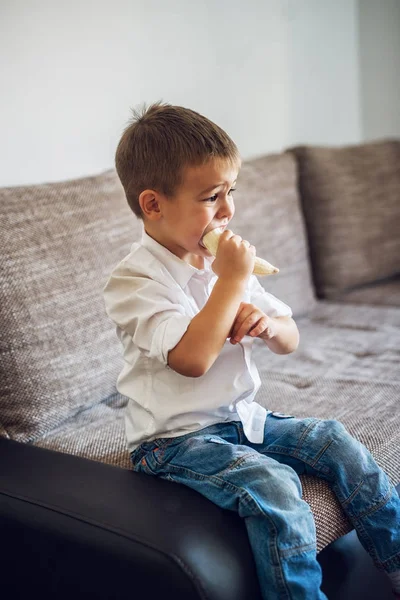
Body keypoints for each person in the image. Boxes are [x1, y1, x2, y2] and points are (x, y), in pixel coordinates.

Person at [103, 102, 400, 600]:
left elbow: (290, 339)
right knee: (274, 485)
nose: (227, 211)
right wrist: (232, 283)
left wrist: (267, 323)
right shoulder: (135, 280)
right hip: (173, 440)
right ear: (153, 204)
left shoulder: (214, 260)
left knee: (333, 438)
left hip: (242, 418)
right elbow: (191, 359)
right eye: (211, 197)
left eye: (230, 192)